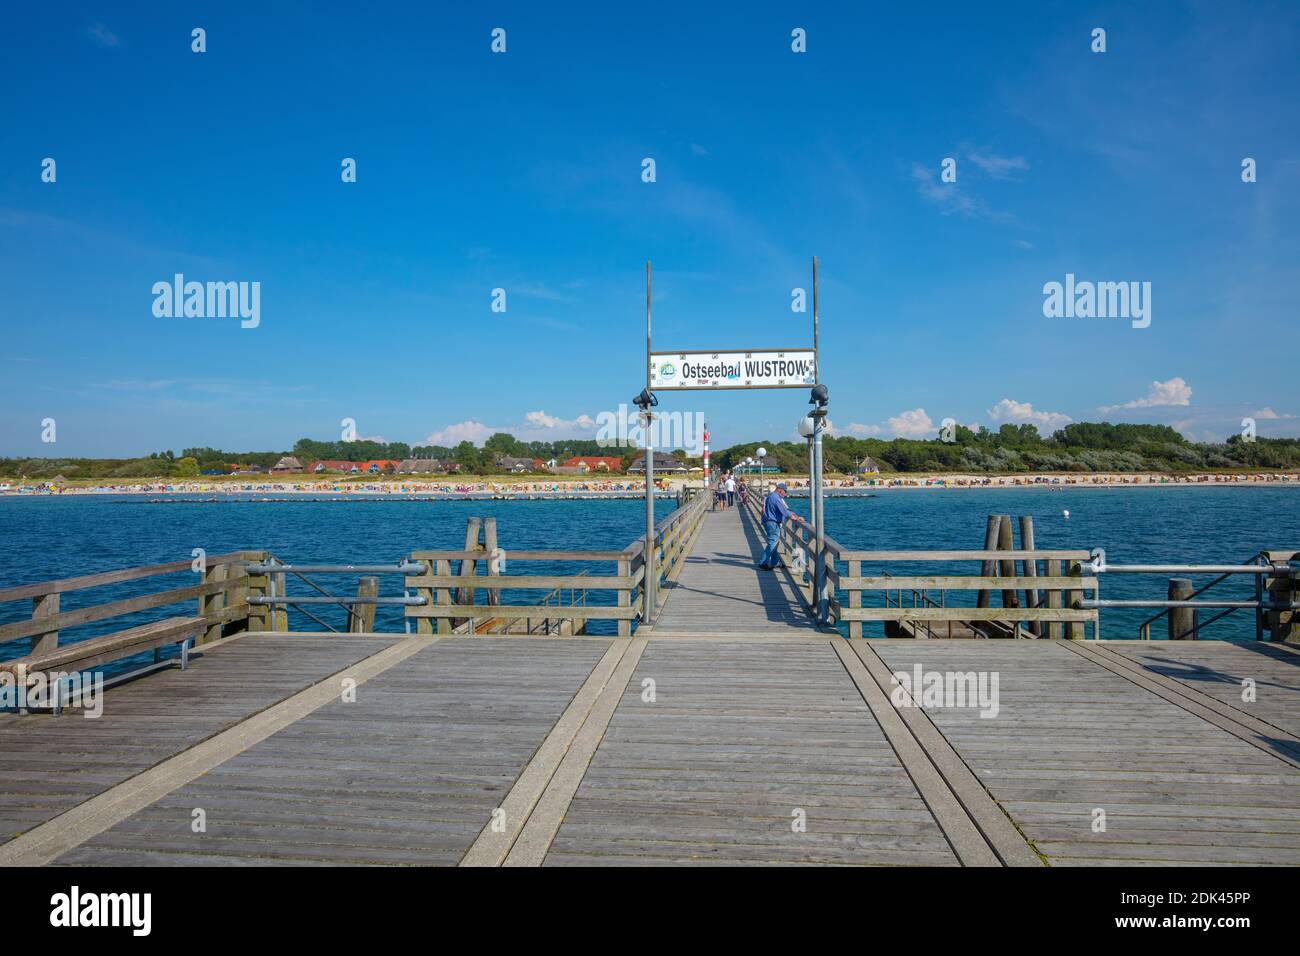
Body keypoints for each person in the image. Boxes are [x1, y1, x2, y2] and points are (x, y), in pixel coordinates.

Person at [758, 482, 802, 570]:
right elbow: (784, 511)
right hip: (772, 522)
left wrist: (792, 514)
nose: (785, 494)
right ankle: (763, 562)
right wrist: (795, 517)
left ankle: (775, 562)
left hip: (768, 521)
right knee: (773, 542)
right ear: (779, 490)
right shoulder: (776, 498)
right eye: (784, 491)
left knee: (775, 542)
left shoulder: (771, 496)